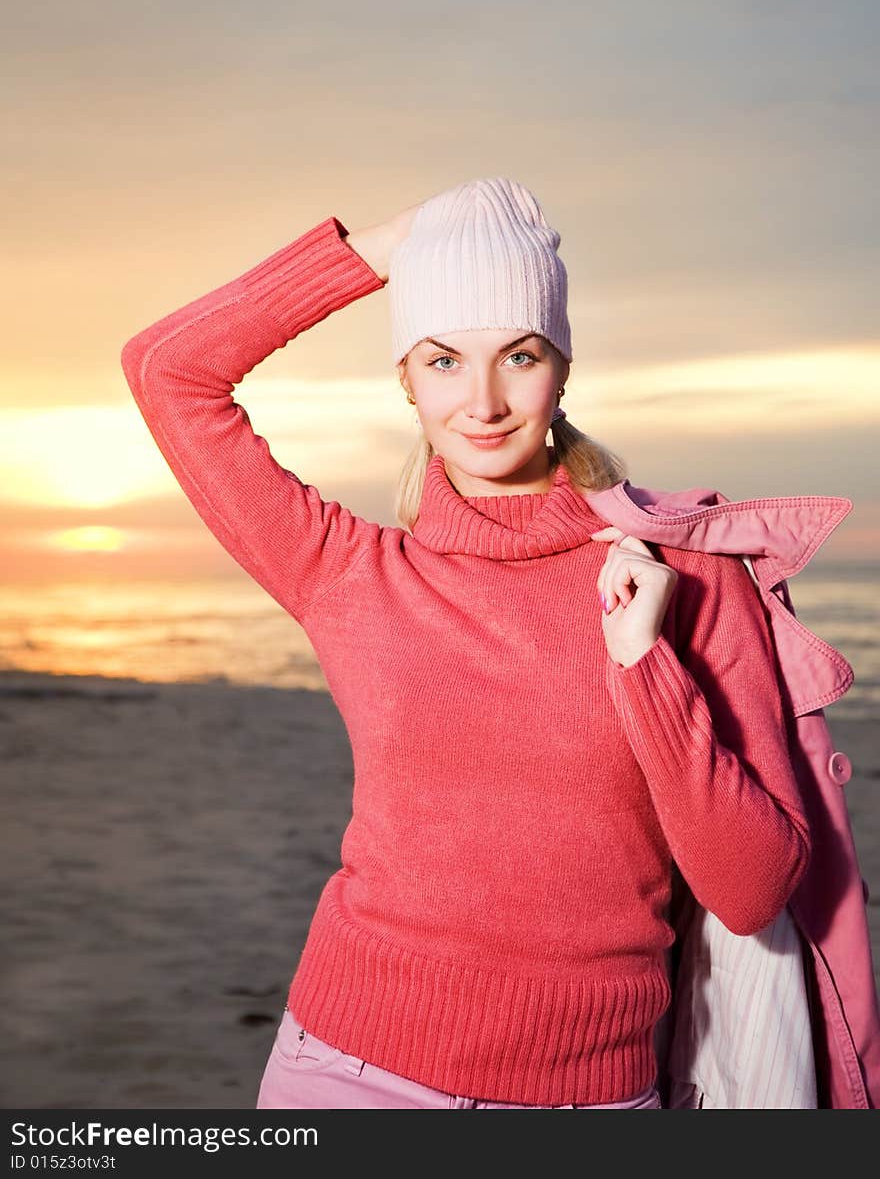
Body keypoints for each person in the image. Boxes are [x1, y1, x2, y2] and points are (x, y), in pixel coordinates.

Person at [120, 176, 811, 1109]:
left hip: (590, 1096)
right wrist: (387, 246)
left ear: (563, 368)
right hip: (342, 1071)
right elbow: (166, 368)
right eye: (442, 360)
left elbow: (752, 887)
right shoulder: (349, 572)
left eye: (519, 354)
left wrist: (644, 664)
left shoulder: (683, 576)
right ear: (403, 377)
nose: (483, 401)